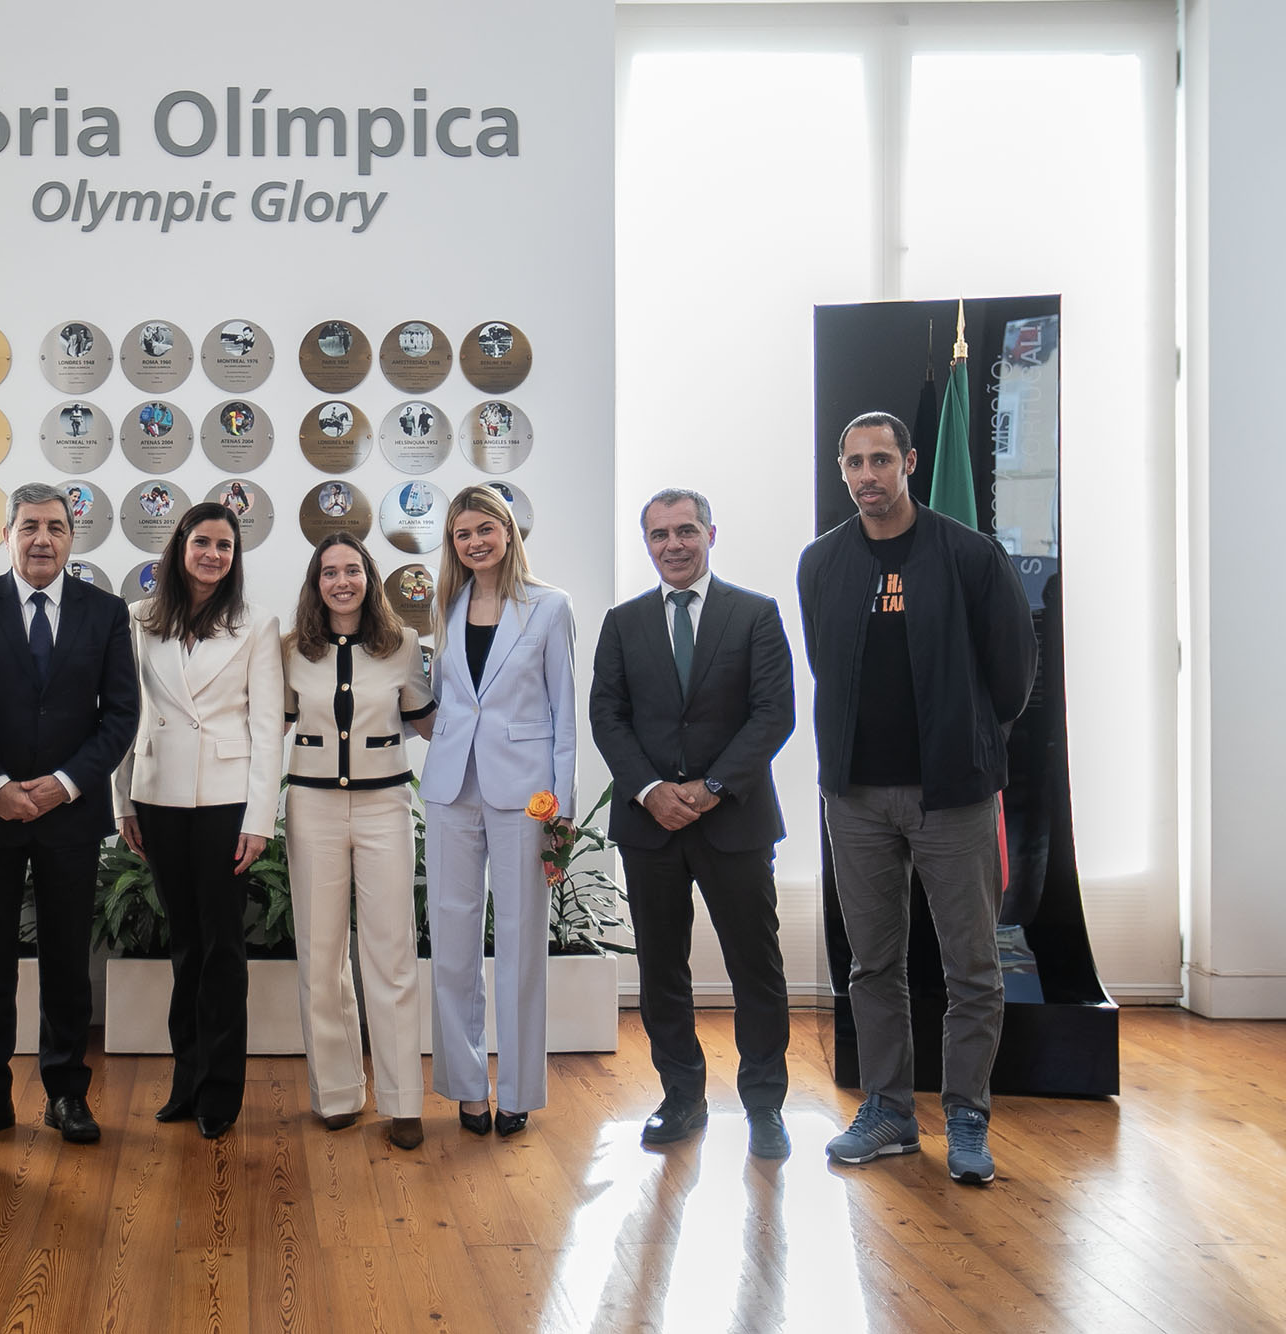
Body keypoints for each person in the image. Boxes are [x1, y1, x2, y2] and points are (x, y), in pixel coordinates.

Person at [800, 411, 1037, 1185]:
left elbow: (1013, 672)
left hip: (953, 795)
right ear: (842, 472)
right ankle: (889, 1111)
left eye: (881, 460)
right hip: (856, 796)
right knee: (874, 964)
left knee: (972, 966)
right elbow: (824, 661)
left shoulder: (969, 555)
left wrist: (966, 739)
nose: (868, 475)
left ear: (908, 462)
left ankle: (968, 1116)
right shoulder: (822, 563)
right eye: (854, 463)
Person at [589, 489, 795, 1158]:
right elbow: (607, 718)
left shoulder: (755, 615)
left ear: (711, 533)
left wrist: (707, 790)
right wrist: (651, 790)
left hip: (733, 821)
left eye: (685, 531)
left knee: (755, 967)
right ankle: (681, 1098)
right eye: (658, 535)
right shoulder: (622, 623)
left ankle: (764, 1107)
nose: (673, 545)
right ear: (646, 543)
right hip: (650, 828)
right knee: (661, 970)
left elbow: (774, 715)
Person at [0, 483, 139, 1145]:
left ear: (71, 537)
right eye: (29, 527)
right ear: (7, 535)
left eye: (55, 527)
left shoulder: (106, 612)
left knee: (65, 961)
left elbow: (120, 716)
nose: (42, 539)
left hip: (68, 816)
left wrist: (63, 784)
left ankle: (65, 1094)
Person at [114, 502, 285, 1140]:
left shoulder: (255, 625)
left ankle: (220, 1092)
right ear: (180, 546)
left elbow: (268, 729)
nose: (214, 554)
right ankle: (185, 1082)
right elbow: (125, 716)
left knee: (222, 948)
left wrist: (260, 817)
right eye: (203, 541)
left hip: (225, 800)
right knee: (183, 946)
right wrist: (124, 799)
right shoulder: (139, 621)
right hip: (157, 797)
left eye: (225, 545)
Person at [419, 484, 576, 1138]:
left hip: (525, 795)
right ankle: (466, 1087)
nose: (475, 541)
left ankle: (515, 1092)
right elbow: (442, 698)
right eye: (463, 534)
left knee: (519, 945)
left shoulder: (550, 607)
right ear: (453, 544)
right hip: (452, 789)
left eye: (486, 528)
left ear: (508, 532)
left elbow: (564, 715)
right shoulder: (445, 605)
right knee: (452, 943)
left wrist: (561, 816)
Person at [281, 534, 436, 1150]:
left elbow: (428, 721)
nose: (341, 581)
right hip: (312, 807)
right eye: (329, 573)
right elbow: (273, 725)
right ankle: (338, 1093)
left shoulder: (402, 647)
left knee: (391, 952)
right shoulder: (292, 651)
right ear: (315, 585)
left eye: (352, 570)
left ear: (370, 578)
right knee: (321, 957)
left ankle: (402, 1101)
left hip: (384, 808)